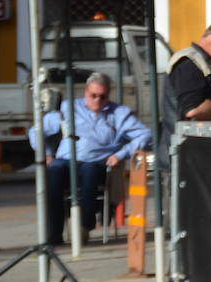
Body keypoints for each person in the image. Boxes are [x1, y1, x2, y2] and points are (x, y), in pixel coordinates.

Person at [31, 74, 151, 244]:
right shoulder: (68, 108)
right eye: (93, 95)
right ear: (86, 92)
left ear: (108, 94)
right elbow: (38, 131)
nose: (97, 100)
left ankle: (85, 223)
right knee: (53, 173)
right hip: (66, 159)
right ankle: (54, 234)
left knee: (90, 172)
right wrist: (47, 153)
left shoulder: (118, 113)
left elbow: (145, 134)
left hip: (98, 162)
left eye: (103, 97)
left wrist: (121, 154)